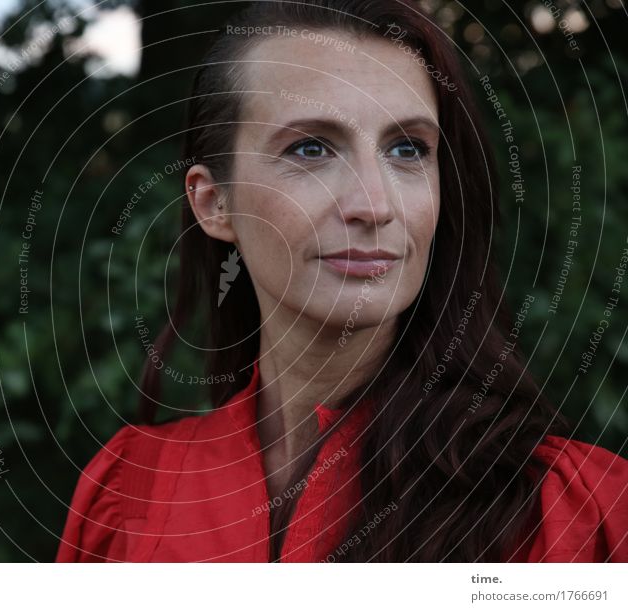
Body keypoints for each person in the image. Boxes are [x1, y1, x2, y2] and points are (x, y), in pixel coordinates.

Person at [56, 0, 628, 562]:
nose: (374, 206)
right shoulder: (127, 493)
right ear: (214, 203)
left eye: (408, 149)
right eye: (310, 148)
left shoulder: (579, 512)